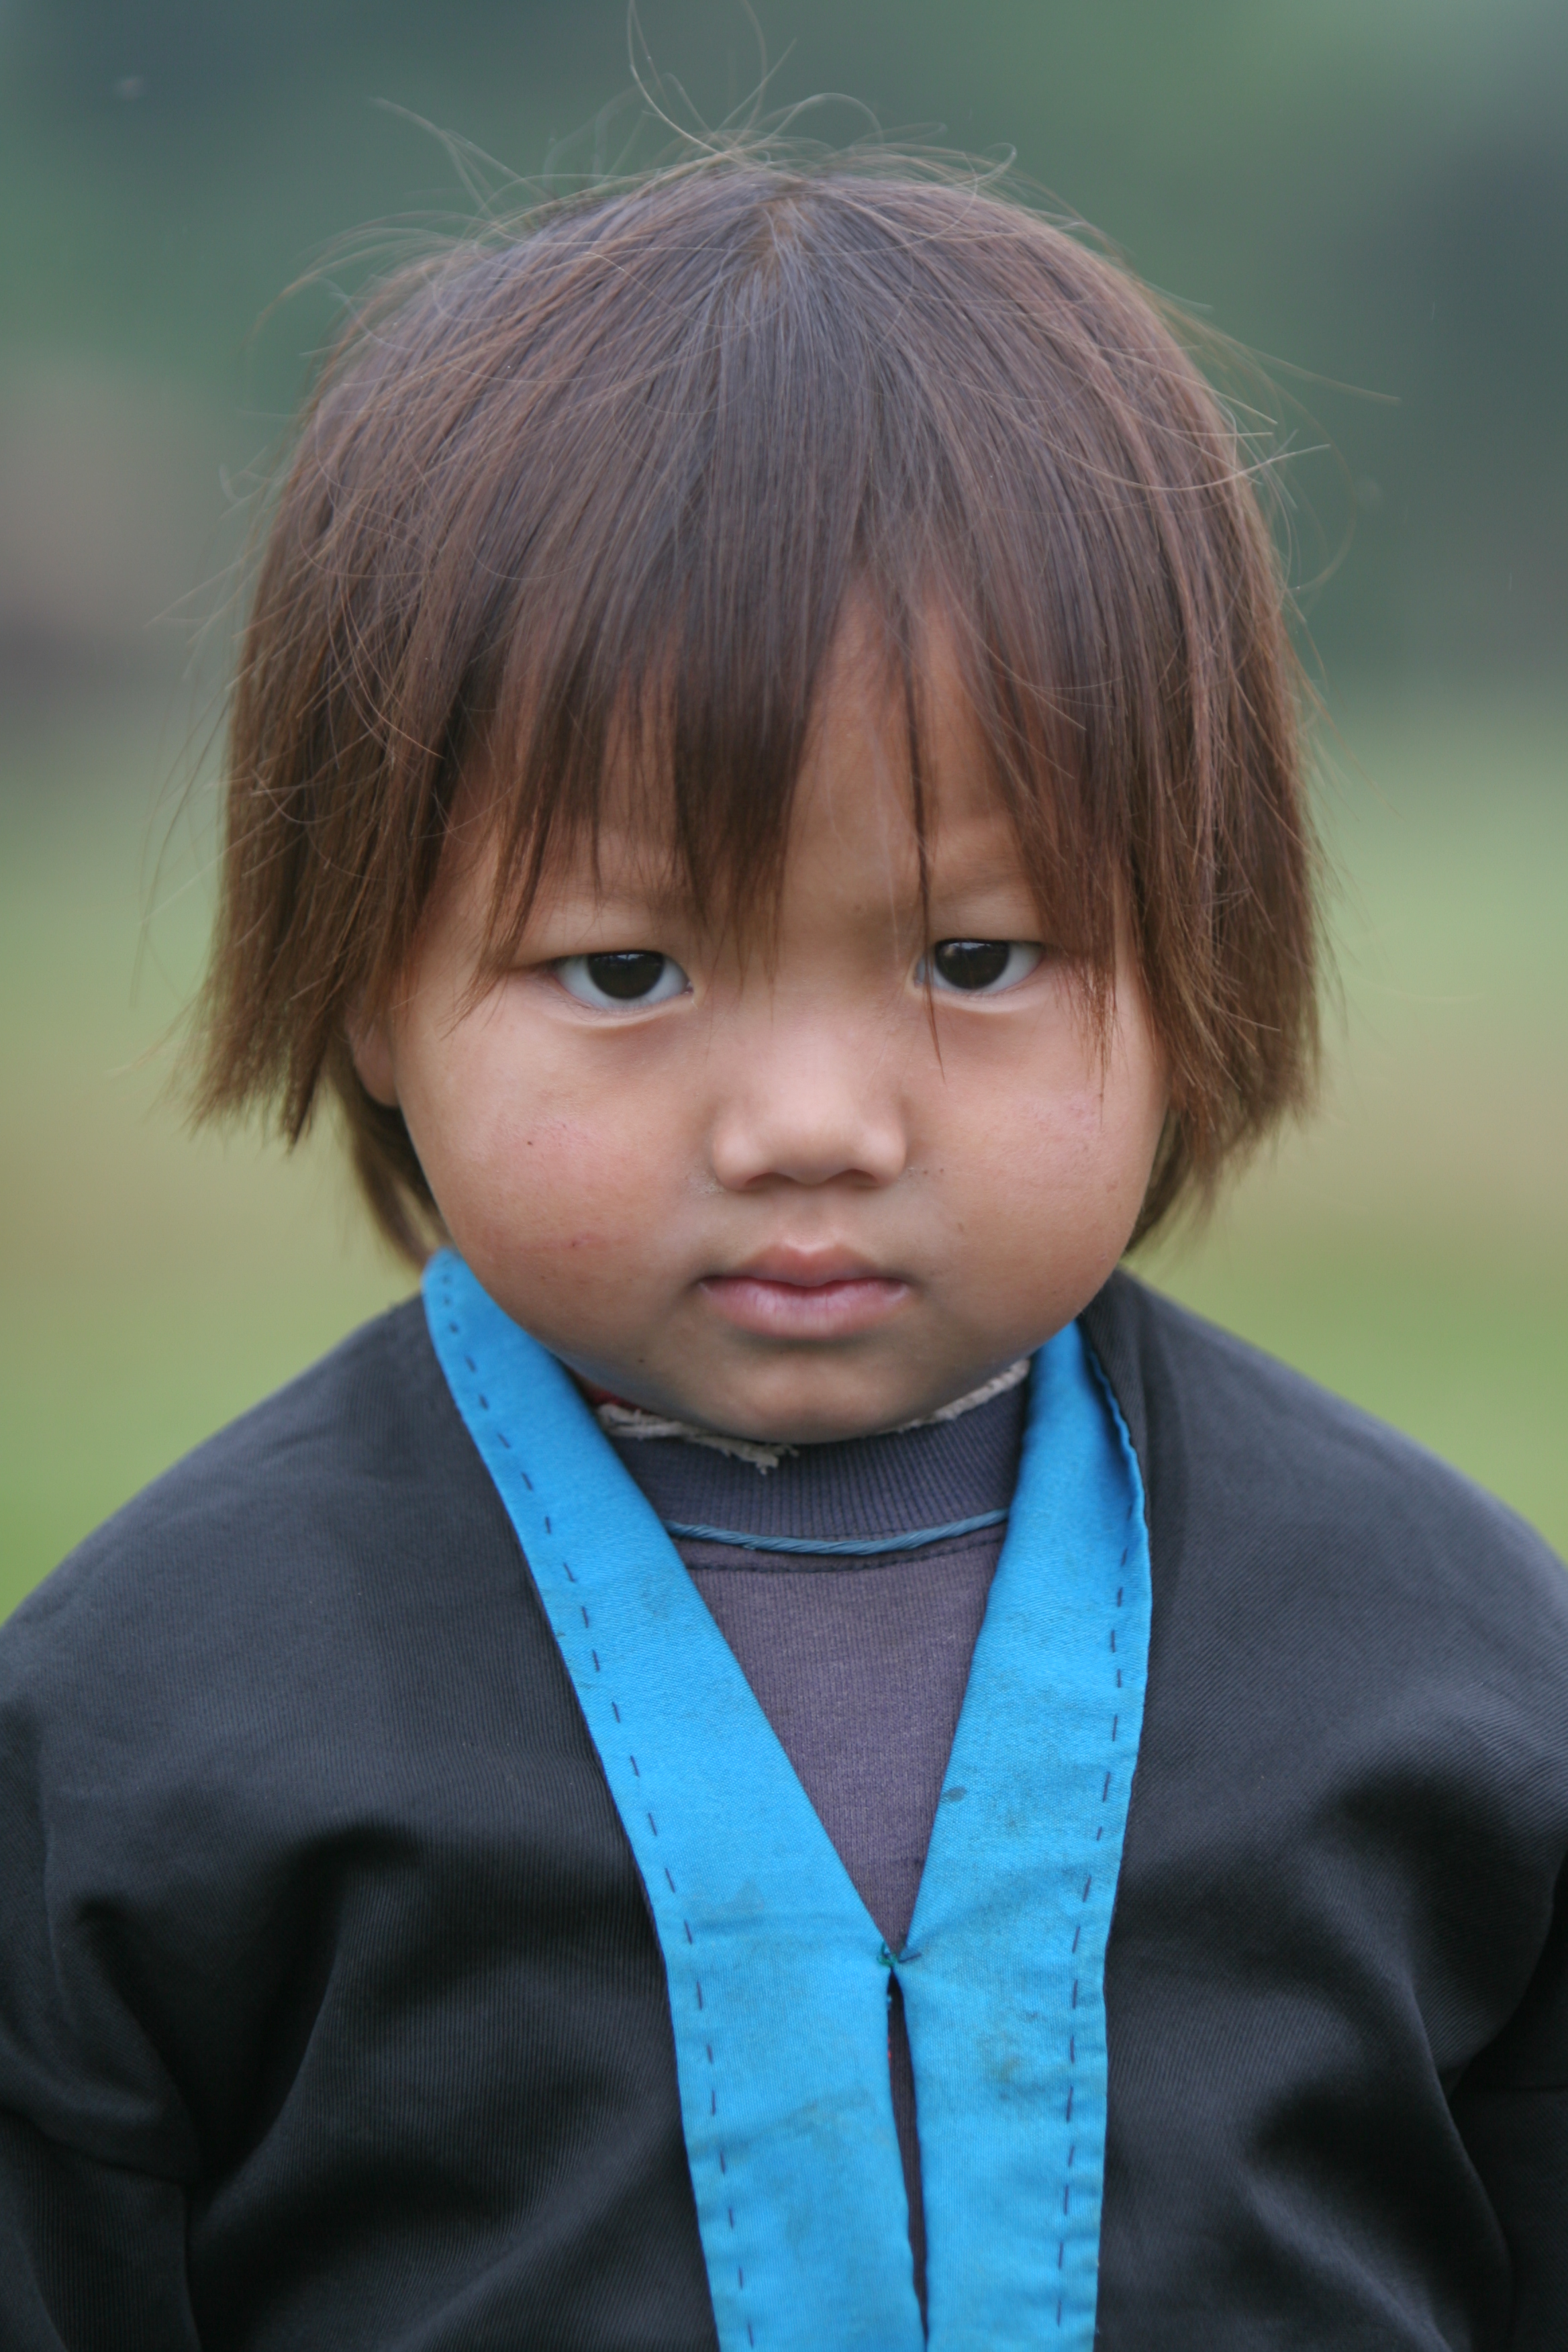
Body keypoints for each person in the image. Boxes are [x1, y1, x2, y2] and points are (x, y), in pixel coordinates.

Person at [1, 158, 1563, 2352]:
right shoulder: (135, 1735)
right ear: (362, 971)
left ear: (1204, 944)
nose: (812, 1122)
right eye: (627, 969)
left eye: (976, 954)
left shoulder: (1472, 1685)